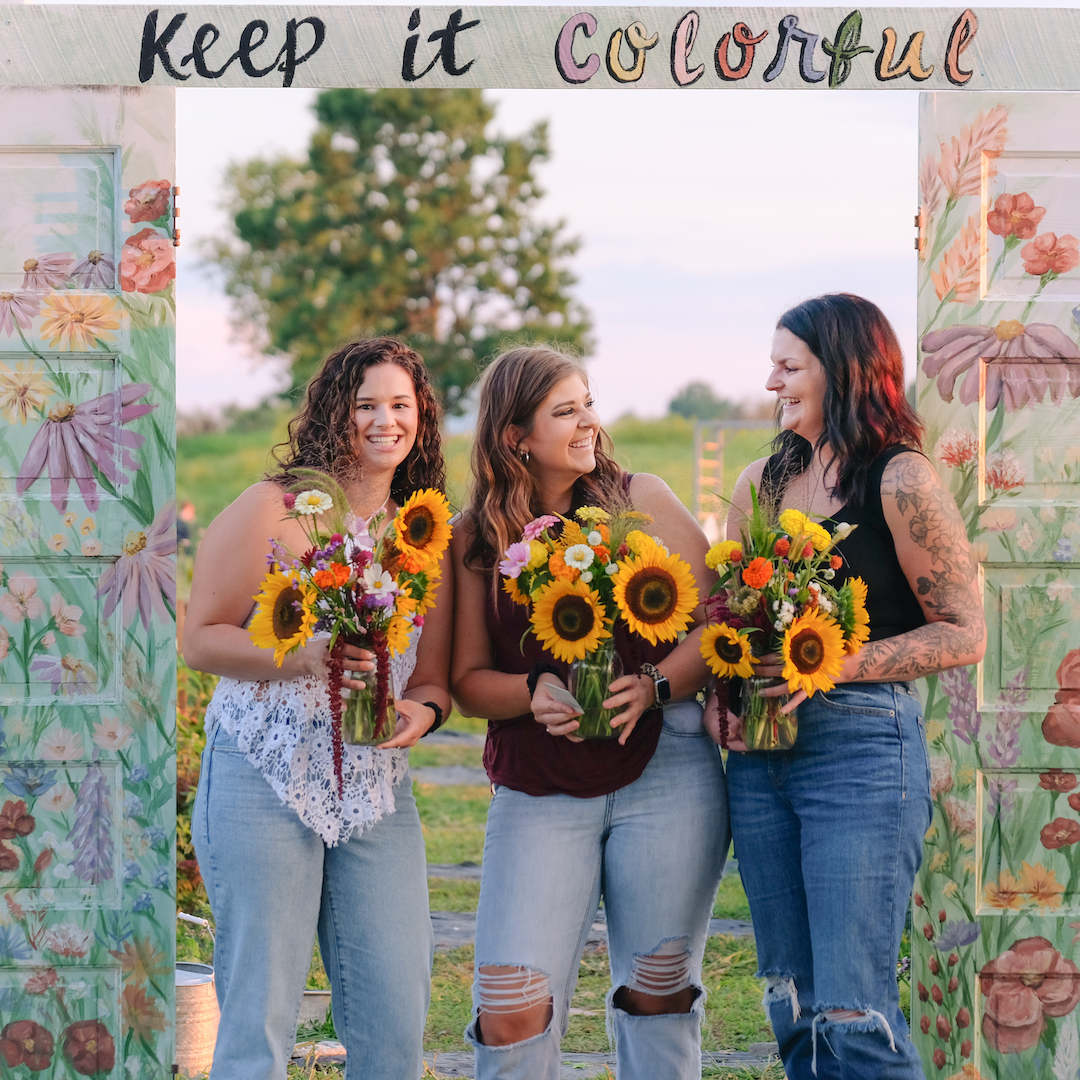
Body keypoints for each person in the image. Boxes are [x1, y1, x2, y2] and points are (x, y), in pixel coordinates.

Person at [713, 294, 985, 1079]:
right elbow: (732, 620)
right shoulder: (760, 483)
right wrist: (721, 706)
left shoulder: (901, 480)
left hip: (862, 749)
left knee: (853, 1012)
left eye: (789, 366)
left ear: (846, 370)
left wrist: (834, 665)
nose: (772, 382)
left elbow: (965, 630)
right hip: (762, 758)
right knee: (790, 1003)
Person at [450, 345, 728, 1080]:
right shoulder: (477, 534)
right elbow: (470, 680)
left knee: (658, 991)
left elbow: (718, 624)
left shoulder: (643, 499)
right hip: (539, 782)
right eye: (565, 411)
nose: (589, 424)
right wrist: (532, 690)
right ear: (516, 436)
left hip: (667, 769)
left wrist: (658, 686)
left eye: (588, 404)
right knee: (512, 1002)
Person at [183, 338, 453, 1080]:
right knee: (260, 1015)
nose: (384, 421)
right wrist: (298, 656)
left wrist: (421, 716)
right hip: (262, 770)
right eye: (367, 404)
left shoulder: (424, 532)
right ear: (336, 412)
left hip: (374, 786)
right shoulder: (273, 509)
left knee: (396, 1011)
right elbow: (199, 639)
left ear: (421, 419)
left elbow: (434, 682)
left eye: (401, 405)